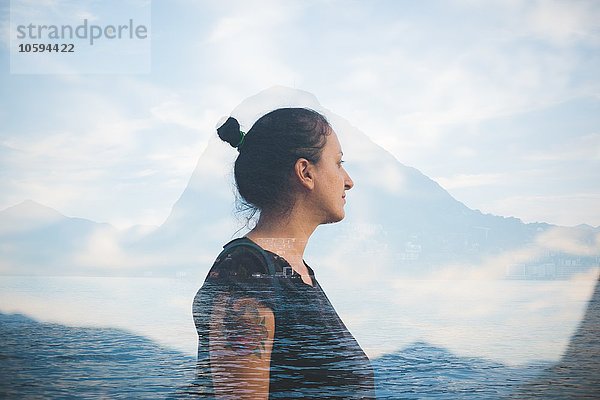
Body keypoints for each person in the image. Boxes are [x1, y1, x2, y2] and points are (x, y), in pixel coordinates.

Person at [192, 108, 375, 399]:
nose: (349, 180)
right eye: (338, 163)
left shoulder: (296, 273)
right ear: (305, 172)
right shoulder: (246, 272)